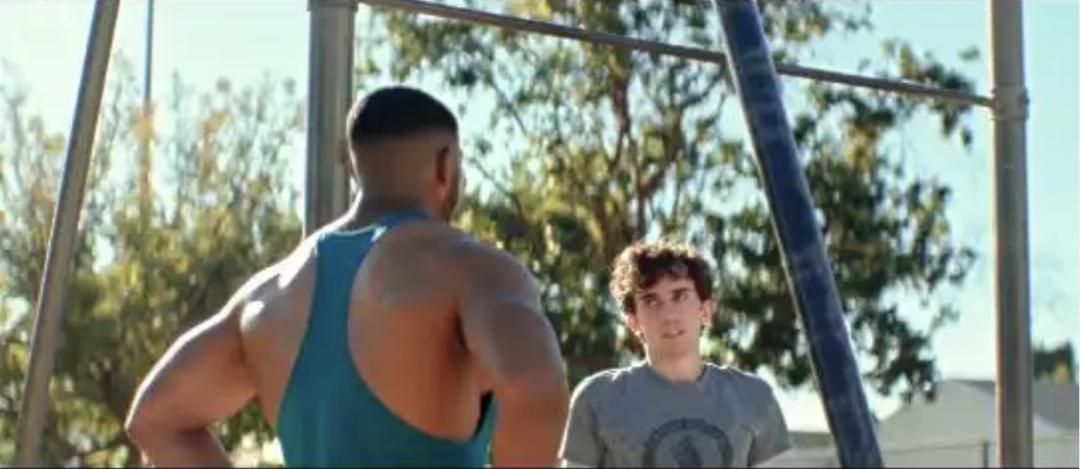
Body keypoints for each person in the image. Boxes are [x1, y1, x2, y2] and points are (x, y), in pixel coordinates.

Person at [124, 86, 570, 467]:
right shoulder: (471, 267)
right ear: (445, 164)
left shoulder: (266, 295)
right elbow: (535, 387)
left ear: (358, 168)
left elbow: (154, 420)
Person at [559, 239, 792, 468]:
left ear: (705, 310)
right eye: (651, 301)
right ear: (633, 321)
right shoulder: (598, 398)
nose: (668, 315)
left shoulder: (753, 396)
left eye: (680, 296)